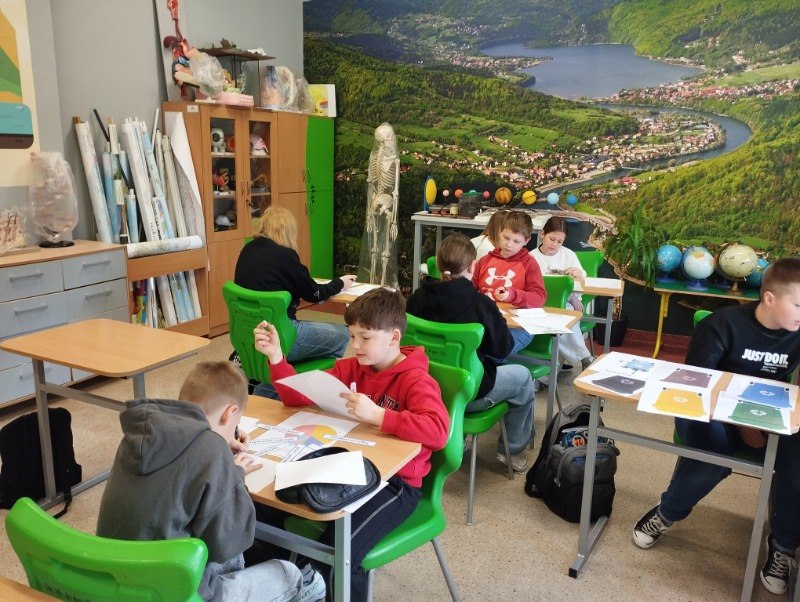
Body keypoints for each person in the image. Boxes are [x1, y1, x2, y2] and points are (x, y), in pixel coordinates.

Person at [253, 287, 450, 601]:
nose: (355, 345)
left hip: (395, 483)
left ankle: (317, 580)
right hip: (345, 465)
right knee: (260, 509)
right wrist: (276, 358)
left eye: (365, 337)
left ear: (394, 337)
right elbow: (297, 395)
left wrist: (380, 415)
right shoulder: (351, 368)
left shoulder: (416, 380)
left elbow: (438, 431)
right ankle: (293, 581)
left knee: (338, 555)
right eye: (351, 335)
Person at [632, 257, 800, 596]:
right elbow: (696, 389)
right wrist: (743, 426)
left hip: (763, 411)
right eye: (798, 304)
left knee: (797, 455)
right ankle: (667, 513)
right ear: (770, 298)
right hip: (707, 408)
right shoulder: (722, 325)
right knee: (714, 456)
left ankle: (783, 545)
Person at [96, 361, 325, 602]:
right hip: (173, 592)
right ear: (229, 413)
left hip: (114, 578)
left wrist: (221, 456)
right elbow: (231, 545)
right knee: (287, 574)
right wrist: (233, 474)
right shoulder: (211, 449)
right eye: (236, 424)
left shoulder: (140, 434)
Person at [407, 233, 537, 472]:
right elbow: (502, 349)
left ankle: (455, 436)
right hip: (470, 394)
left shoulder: (416, 299)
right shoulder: (481, 304)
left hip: (422, 390)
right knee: (523, 377)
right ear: (472, 266)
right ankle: (512, 452)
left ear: (438, 263)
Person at [235, 206, 356, 398]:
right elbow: (315, 294)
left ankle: (270, 382)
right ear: (287, 230)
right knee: (342, 335)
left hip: (249, 334)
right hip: (282, 334)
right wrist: (340, 283)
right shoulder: (285, 255)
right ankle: (285, 387)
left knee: (319, 343)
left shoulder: (247, 250)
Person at [472, 210, 547, 352]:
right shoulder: (485, 261)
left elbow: (539, 297)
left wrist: (512, 295)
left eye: (516, 241)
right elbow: (471, 289)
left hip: (519, 327)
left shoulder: (530, 264)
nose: (509, 245)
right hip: (488, 322)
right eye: (506, 238)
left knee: (491, 349)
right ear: (499, 231)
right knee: (472, 344)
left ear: (526, 241)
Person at [530, 216, 595, 372]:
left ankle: (550, 374)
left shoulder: (568, 254)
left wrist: (578, 273)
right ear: (543, 234)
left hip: (565, 302)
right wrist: (571, 297)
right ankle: (584, 358)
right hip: (543, 302)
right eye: (552, 239)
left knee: (565, 315)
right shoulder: (532, 257)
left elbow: (582, 277)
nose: (554, 244)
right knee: (561, 318)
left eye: (560, 241)